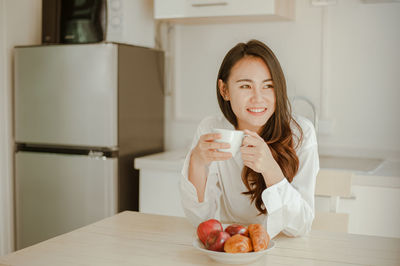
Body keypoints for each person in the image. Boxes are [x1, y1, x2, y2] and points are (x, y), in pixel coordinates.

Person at [180, 39, 319, 239]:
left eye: (268, 86)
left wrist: (271, 170)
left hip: (285, 250)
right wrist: (197, 162)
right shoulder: (212, 130)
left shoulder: (301, 133)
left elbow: (300, 227)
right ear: (224, 90)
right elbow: (200, 219)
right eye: (245, 86)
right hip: (235, 249)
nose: (258, 98)